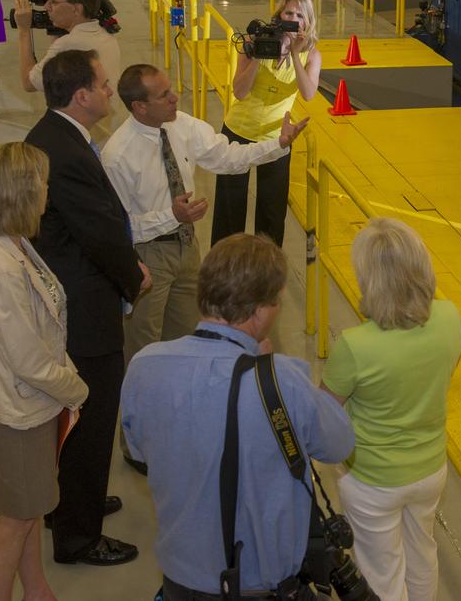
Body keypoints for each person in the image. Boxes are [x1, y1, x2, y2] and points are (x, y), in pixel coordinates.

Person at [122, 234, 354, 600]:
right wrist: (266, 366)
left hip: (181, 579)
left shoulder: (144, 366)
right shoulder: (280, 380)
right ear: (259, 311)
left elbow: (139, 451)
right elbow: (339, 443)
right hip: (258, 584)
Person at [102, 63, 309, 472]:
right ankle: (137, 444)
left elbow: (227, 156)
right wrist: (170, 216)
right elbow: (118, 226)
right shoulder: (117, 155)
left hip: (186, 251)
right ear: (139, 107)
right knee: (143, 353)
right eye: (163, 95)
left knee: (189, 344)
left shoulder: (182, 126)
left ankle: (182, 427)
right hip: (145, 257)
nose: (174, 97)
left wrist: (278, 144)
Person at [25, 49, 147, 567]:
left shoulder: (54, 137)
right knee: (91, 419)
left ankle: (75, 501)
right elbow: (99, 231)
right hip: (85, 309)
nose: (109, 91)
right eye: (102, 85)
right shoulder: (68, 154)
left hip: (67, 297)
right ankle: (79, 536)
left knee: (74, 418)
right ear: (80, 96)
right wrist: (133, 276)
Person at [0, 142, 88, 601]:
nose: (48, 189)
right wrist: (76, 388)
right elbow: (27, 360)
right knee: (15, 521)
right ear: (20, 192)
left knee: (28, 508)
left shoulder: (9, 240)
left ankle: (35, 588)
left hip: (25, 403)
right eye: (42, 182)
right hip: (13, 411)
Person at [321, 217, 461, 601]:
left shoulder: (355, 345)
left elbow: (323, 416)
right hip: (430, 469)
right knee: (422, 554)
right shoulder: (450, 318)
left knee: (382, 575)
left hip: (373, 480)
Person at [211, 0, 322, 247]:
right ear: (279, 15)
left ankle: (266, 266)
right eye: (288, 13)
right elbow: (239, 92)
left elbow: (308, 93)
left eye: (299, 15)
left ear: (308, 21)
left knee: (271, 212)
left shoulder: (312, 54)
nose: (293, 19)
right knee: (230, 208)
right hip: (238, 130)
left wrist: (294, 55)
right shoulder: (255, 41)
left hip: (277, 138)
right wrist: (259, 57)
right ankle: (225, 263)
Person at [15, 0, 121, 100]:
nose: (46, 6)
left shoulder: (69, 44)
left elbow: (29, 83)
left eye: (53, 2)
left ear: (76, 9)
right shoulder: (106, 34)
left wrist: (24, 29)